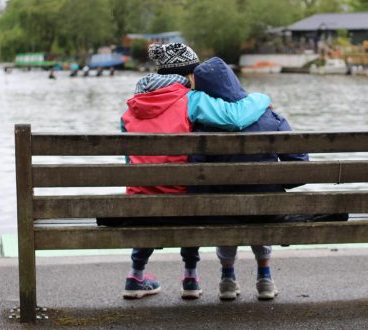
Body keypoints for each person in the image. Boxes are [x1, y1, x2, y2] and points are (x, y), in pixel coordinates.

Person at [120, 43, 271, 300]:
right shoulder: (191, 99)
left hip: (140, 199)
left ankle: (135, 275)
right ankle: (190, 276)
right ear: (191, 75)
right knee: (190, 190)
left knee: (149, 189)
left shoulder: (132, 105)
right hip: (183, 198)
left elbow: (129, 161)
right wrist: (261, 98)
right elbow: (234, 118)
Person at [190, 57, 309, 300]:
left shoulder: (203, 124)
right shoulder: (270, 117)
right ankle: (265, 277)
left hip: (220, 211)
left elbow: (195, 173)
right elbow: (299, 165)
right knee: (262, 200)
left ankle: (227, 278)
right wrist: (276, 183)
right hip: (267, 208)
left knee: (223, 206)